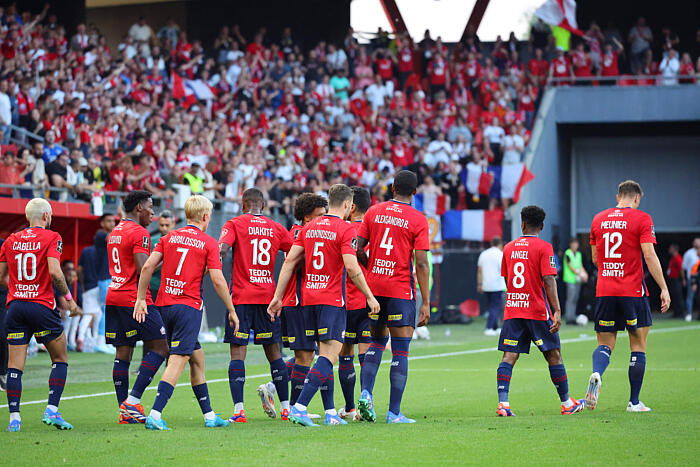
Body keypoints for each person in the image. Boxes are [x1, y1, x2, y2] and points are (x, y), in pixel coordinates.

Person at [268, 184, 380, 427]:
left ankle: (330, 412)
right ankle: (299, 407)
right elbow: (352, 267)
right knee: (330, 355)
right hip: (331, 300)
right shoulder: (346, 229)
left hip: (307, 300)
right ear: (349, 206)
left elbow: (288, 263)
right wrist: (370, 296)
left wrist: (277, 296)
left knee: (322, 356)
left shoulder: (308, 228)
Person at [135, 195, 239, 430]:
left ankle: (209, 415)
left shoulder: (169, 237)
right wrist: (231, 309)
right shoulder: (209, 243)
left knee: (197, 358)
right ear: (205, 216)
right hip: (188, 307)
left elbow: (149, 266)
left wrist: (141, 298)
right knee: (178, 359)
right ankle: (155, 413)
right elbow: (218, 280)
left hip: (164, 305)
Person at [586, 180, 670, 413]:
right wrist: (663, 287)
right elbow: (649, 255)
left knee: (605, 342)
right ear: (637, 198)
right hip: (632, 291)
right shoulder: (642, 219)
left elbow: (595, 258)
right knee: (637, 344)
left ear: (618, 197)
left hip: (605, 290)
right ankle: (634, 402)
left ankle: (597, 373)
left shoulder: (598, 219)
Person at [355, 170, 431, 424]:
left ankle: (366, 393)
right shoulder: (418, 219)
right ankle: (394, 413)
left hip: (374, 289)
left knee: (376, 343)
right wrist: (427, 302)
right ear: (415, 192)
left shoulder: (374, 212)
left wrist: (368, 267)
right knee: (400, 352)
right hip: (400, 290)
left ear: (393, 187)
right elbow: (421, 263)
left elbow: (358, 247)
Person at [495, 205, 585, 417]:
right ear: (542, 226)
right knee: (554, 355)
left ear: (522, 223)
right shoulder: (544, 247)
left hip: (514, 310)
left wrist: (518, 296)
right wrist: (557, 309)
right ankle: (566, 403)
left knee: (509, 356)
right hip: (536, 310)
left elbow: (508, 280)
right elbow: (548, 279)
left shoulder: (508, 248)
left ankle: (503, 404)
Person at [0, 198, 81, 431]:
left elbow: (1, 276)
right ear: (46, 216)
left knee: (15, 367)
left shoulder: (11, 240)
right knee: (60, 358)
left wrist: (19, 287)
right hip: (41, 306)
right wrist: (69, 301)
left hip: (15, 307)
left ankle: (14, 418)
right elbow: (56, 273)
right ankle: (52, 410)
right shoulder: (52, 237)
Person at [218, 188, 293, 423]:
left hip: (240, 299)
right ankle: (285, 408)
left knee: (238, 354)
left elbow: (222, 248)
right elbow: (294, 253)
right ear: (263, 205)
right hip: (268, 299)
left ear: (243, 204)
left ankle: (239, 410)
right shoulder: (276, 228)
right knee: (274, 354)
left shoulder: (235, 223)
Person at [257, 193, 328, 419]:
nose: (323, 219)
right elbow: (296, 265)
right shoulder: (300, 233)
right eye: (319, 215)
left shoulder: (302, 232)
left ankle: (273, 388)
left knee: (306, 355)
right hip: (298, 302)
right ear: (307, 216)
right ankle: (297, 408)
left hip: (303, 301)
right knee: (306, 356)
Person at [106, 191, 169, 424]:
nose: (153, 212)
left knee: (123, 352)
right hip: (134, 298)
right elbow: (145, 268)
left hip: (114, 296)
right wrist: (165, 256)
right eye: (150, 207)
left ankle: (124, 410)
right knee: (161, 347)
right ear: (139, 207)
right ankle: (132, 401)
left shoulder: (115, 232)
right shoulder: (139, 233)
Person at [337, 186, 372, 420]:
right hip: (371, 302)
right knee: (367, 353)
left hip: (346, 300)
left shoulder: (344, 230)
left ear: (353, 206)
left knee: (344, 353)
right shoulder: (375, 232)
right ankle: (366, 401)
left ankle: (350, 408)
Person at [77, 232, 108, 352]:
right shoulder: (105, 252)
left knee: (90, 313)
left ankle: (90, 339)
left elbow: (79, 269)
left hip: (88, 286)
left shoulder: (86, 251)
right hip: (101, 284)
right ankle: (87, 338)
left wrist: (83, 284)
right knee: (96, 314)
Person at [478, 237, 506, 336]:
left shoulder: (483, 254)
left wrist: (479, 284)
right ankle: (489, 327)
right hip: (497, 285)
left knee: (492, 306)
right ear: (500, 244)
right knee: (495, 307)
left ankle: (496, 327)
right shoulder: (500, 254)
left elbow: (479, 270)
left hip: (486, 285)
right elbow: (503, 270)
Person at [562, 238, 588, 324]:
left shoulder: (579, 254)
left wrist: (584, 274)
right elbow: (570, 265)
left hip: (577, 279)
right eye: (573, 244)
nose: (575, 245)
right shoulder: (567, 253)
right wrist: (579, 274)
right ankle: (569, 317)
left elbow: (580, 265)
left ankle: (573, 316)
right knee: (570, 299)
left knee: (575, 299)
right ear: (570, 245)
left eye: (576, 244)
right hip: (570, 279)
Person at [682, 238, 700, 321]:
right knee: (690, 297)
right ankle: (689, 314)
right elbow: (693, 272)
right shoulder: (689, 254)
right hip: (693, 279)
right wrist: (693, 282)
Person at [666, 244, 684, 319]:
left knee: (678, 297)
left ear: (674, 249)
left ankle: (680, 313)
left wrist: (683, 279)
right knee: (674, 297)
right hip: (672, 280)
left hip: (676, 280)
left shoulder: (678, 258)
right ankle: (676, 313)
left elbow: (681, 269)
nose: (669, 250)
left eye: (671, 248)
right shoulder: (673, 258)